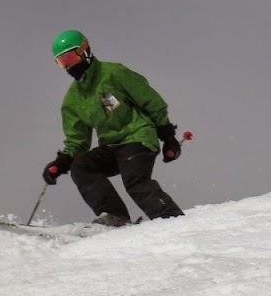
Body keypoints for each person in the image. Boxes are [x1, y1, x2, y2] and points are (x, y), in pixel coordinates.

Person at [42, 30, 186, 226]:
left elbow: (150, 100)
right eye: (62, 62)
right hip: (112, 147)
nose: (69, 65)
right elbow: (77, 139)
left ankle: (170, 218)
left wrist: (167, 135)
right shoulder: (73, 100)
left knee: (134, 181)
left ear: (84, 51)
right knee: (82, 165)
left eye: (70, 57)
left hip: (137, 137)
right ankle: (114, 215)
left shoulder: (113, 73)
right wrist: (62, 161)